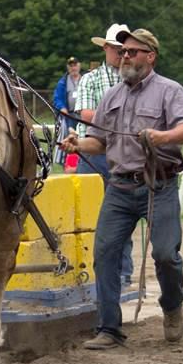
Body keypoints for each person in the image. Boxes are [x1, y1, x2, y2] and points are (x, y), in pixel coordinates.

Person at [60, 28, 183, 350]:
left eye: (133, 51)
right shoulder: (112, 96)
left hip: (158, 186)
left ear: (150, 56)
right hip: (119, 188)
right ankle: (109, 328)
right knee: (104, 253)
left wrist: (161, 137)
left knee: (165, 255)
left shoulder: (170, 91)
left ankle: (172, 306)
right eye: (123, 52)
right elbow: (100, 141)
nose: (125, 57)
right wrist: (78, 145)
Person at [74, 22, 135, 285]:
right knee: (89, 213)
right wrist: (118, 118)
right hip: (93, 152)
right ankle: (90, 269)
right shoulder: (90, 78)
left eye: (126, 50)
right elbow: (86, 115)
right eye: (117, 49)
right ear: (107, 48)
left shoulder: (134, 79)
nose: (122, 55)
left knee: (125, 213)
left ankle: (124, 272)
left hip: (123, 153)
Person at [52, 56, 82, 170]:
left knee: (81, 139)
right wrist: (62, 108)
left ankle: (81, 164)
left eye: (75, 65)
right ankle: (69, 165)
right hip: (69, 116)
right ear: (68, 67)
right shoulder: (63, 82)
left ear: (79, 65)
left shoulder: (85, 79)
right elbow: (57, 98)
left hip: (82, 116)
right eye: (71, 65)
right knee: (70, 141)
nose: (73, 67)